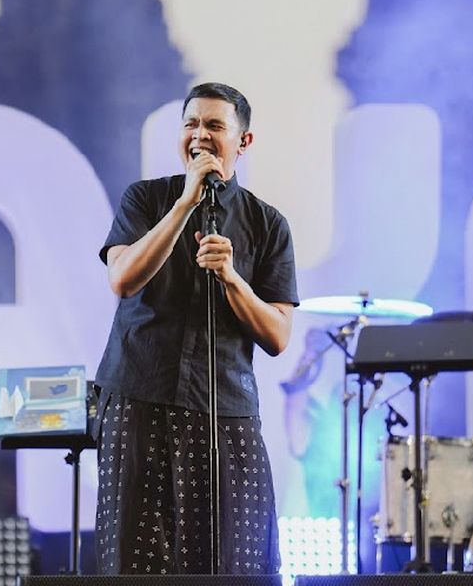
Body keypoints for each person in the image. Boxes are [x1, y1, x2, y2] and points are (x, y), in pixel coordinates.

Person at [93, 82, 298, 575]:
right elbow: (121, 279)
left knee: (237, 561)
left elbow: (277, 336)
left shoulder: (268, 224)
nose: (199, 135)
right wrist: (183, 204)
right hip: (140, 397)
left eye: (214, 126)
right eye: (190, 124)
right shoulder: (147, 198)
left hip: (225, 408)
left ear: (242, 142)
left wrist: (232, 279)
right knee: (137, 562)